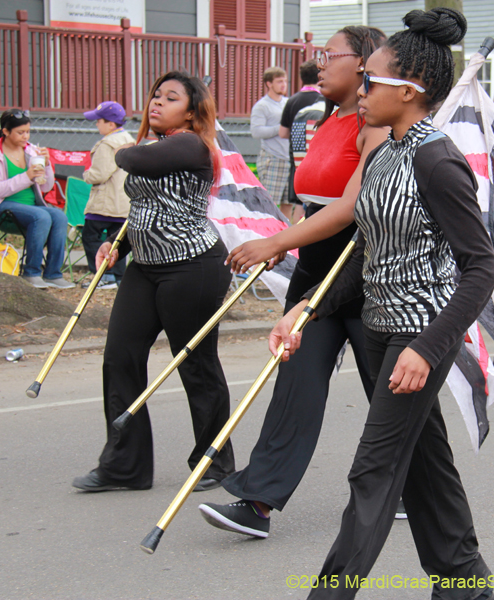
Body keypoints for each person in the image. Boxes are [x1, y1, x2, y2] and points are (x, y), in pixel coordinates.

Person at [274, 9, 494, 598]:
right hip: (378, 329)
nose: (361, 91)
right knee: (426, 463)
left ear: (409, 91)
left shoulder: (437, 160)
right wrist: (311, 308)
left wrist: (427, 347)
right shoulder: (382, 154)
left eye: (371, 81)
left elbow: (480, 268)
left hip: (419, 335)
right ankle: (465, 583)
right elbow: (367, 252)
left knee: (372, 471)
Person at [198, 25, 389, 538]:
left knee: (393, 396)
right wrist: (288, 244)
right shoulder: (321, 120)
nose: (319, 65)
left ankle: (420, 486)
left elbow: (352, 207)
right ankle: (257, 499)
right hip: (315, 270)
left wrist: (275, 243)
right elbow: (313, 201)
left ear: (366, 63)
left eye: (330, 55)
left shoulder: (376, 125)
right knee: (295, 379)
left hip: (363, 269)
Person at [72, 71, 235, 493]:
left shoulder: (191, 144)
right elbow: (144, 207)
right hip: (145, 266)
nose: (156, 103)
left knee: (196, 366)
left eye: (170, 97)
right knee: (120, 358)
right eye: (155, 96)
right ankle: (124, 466)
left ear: (193, 109)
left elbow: (131, 161)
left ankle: (215, 463)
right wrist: (115, 246)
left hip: (192, 266)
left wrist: (127, 146)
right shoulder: (157, 145)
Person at [0, 109, 73, 289]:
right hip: (1, 208)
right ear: (5, 132)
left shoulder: (31, 152)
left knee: (59, 216)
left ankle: (53, 273)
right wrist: (26, 176)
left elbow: (46, 187)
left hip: (32, 207)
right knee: (42, 216)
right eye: (20, 132)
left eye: (28, 131)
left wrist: (47, 165)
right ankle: (32, 272)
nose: (25, 136)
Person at [80, 101, 134, 289]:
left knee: (90, 236)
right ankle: (118, 277)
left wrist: (87, 174)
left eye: (98, 121)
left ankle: (103, 275)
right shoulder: (128, 139)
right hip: (123, 203)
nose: (96, 124)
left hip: (105, 202)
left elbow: (100, 174)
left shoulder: (107, 144)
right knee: (118, 240)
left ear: (110, 124)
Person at [279, 59, 323, 222]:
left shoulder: (292, 100)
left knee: (298, 201)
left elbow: (283, 133)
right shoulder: (323, 101)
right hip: (316, 157)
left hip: (297, 158)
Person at [251, 67, 291, 220]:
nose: (283, 84)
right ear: (269, 84)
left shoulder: (287, 103)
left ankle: (286, 236)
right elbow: (256, 132)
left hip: (288, 159)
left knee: (288, 203)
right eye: (279, 81)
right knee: (270, 203)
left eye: (285, 81)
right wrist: (280, 128)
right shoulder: (262, 106)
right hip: (272, 158)